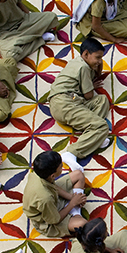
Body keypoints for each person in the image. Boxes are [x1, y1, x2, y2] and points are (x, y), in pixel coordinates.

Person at [49, 37, 112, 172]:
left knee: (102, 100)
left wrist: (97, 64)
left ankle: (94, 135)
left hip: (70, 101)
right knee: (101, 126)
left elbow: (96, 76)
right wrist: (90, 86)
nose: (100, 61)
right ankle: (71, 153)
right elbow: (88, 95)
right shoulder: (83, 67)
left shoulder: (79, 62)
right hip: (64, 103)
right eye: (98, 57)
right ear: (86, 54)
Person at [22, 151, 88, 238]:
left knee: (78, 174)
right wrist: (73, 203)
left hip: (53, 197)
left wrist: (71, 197)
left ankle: (73, 211)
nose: (62, 166)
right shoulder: (45, 198)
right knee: (83, 224)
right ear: (53, 176)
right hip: (48, 219)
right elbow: (55, 220)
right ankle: (75, 213)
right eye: (61, 166)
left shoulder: (38, 173)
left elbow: (53, 186)